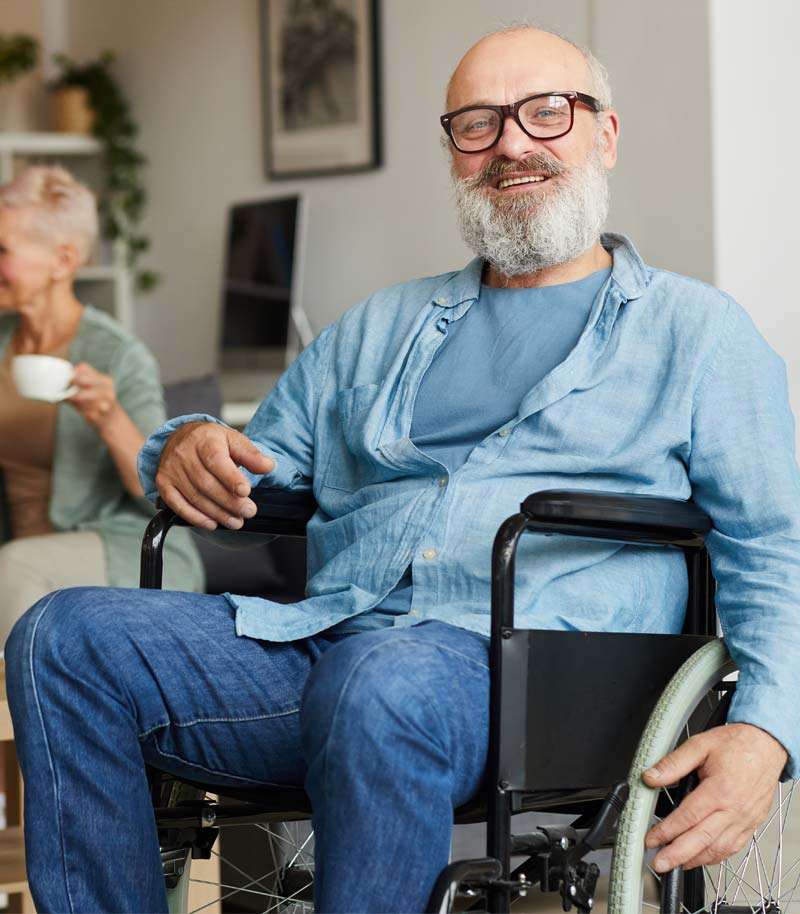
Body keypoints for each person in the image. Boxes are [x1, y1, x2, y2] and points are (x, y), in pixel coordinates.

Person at [5, 26, 800, 913]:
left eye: (546, 113)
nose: (512, 145)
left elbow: (774, 547)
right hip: (331, 645)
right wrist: (187, 441)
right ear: (455, 153)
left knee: (381, 678)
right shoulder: (377, 327)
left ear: (604, 134)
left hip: (542, 677)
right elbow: (254, 471)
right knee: (61, 637)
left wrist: (764, 733)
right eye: (478, 124)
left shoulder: (699, 335)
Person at [0, 165, 203, 647]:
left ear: (62, 259)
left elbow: (162, 493)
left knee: (14, 566)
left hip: (122, 548)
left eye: (3, 249)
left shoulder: (116, 353)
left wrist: (110, 418)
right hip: (23, 551)